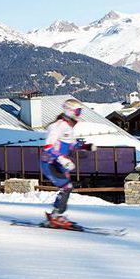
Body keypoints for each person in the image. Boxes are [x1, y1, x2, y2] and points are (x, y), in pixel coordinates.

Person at [41, 98, 92, 229]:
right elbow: (48, 146)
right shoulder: (58, 126)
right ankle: (56, 216)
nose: (79, 115)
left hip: (59, 164)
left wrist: (86, 147)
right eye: (78, 111)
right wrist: (63, 160)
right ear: (70, 111)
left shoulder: (68, 127)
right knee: (66, 187)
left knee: (67, 187)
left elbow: (73, 144)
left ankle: (56, 215)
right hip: (50, 162)